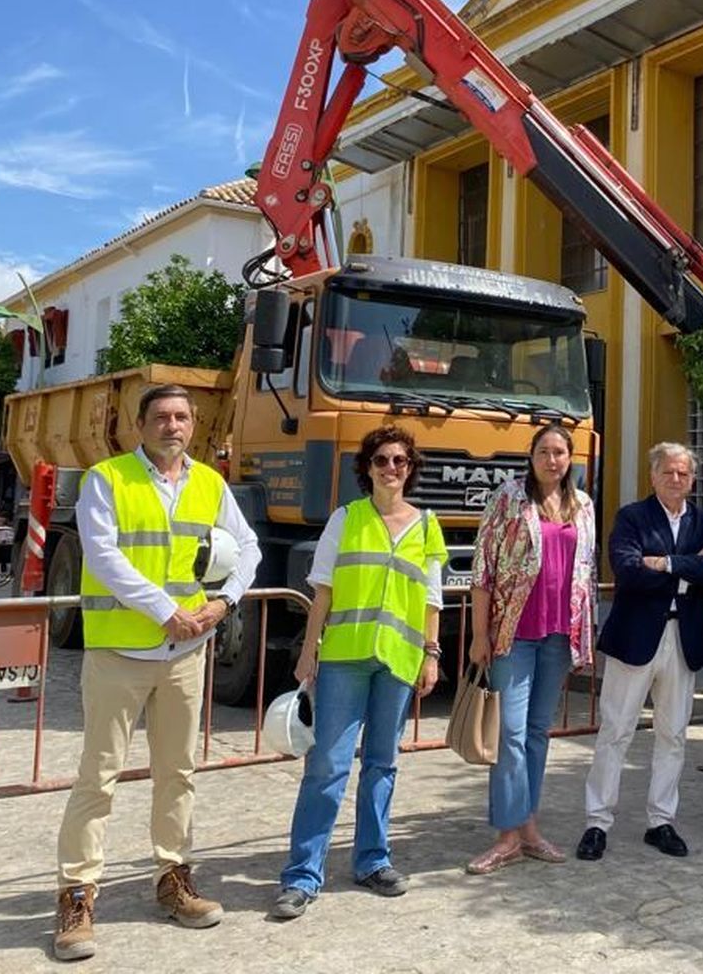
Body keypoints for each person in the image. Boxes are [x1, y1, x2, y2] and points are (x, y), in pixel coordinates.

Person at [53, 385, 260, 962]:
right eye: (162, 416)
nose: (172, 425)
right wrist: (164, 611)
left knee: (179, 773)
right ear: (138, 424)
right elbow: (103, 555)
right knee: (98, 777)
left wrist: (223, 604)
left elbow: (248, 548)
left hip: (185, 654)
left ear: (194, 425)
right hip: (122, 651)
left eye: (182, 417)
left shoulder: (210, 484)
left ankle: (173, 879)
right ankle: (76, 896)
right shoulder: (108, 479)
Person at [271, 426, 447, 920]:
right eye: (382, 460)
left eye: (401, 461)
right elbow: (322, 592)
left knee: (382, 765)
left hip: (398, 659)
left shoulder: (426, 526)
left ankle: (373, 860)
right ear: (366, 468)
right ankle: (302, 875)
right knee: (327, 766)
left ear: (411, 469)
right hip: (345, 658)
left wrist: (431, 654)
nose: (392, 468)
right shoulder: (345, 520)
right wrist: (308, 654)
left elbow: (432, 598)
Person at [577, 441, 703, 862]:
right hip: (635, 638)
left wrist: (663, 563)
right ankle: (597, 822)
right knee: (615, 731)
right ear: (653, 475)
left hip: (684, 640)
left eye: (683, 473)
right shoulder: (632, 517)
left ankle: (661, 821)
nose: (676, 479)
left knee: (673, 734)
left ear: (692, 479)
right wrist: (686, 564)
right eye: (668, 472)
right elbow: (627, 570)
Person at [465, 422, 596, 875]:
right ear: (532, 455)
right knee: (510, 735)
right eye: (544, 451)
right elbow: (482, 566)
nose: (552, 460)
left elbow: (586, 574)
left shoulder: (583, 506)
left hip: (560, 636)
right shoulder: (508, 498)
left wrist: (586, 636)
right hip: (513, 633)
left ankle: (529, 828)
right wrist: (480, 635)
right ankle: (507, 835)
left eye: (560, 452)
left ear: (570, 458)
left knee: (538, 732)